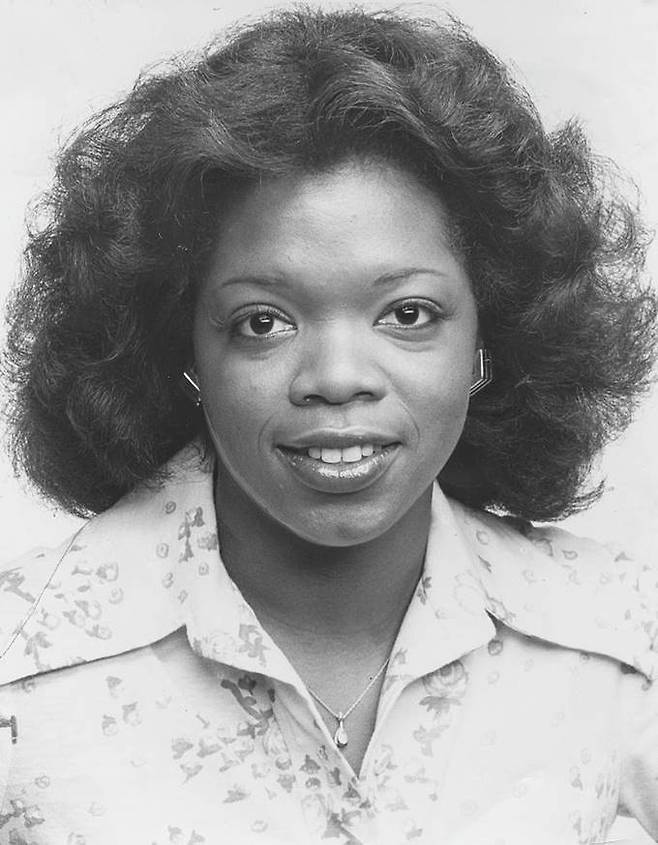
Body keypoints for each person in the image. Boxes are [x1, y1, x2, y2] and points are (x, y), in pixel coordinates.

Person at [0, 6, 656, 844]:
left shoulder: (614, 633)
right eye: (263, 322)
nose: (338, 377)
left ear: (490, 336)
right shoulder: (22, 664)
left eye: (408, 313)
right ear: (182, 347)